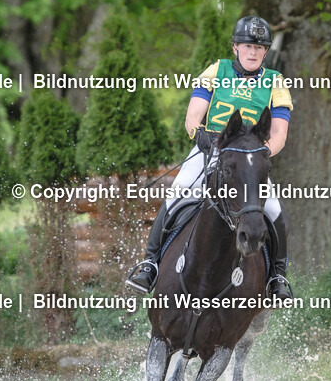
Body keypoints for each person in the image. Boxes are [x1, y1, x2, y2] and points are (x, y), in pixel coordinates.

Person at [125, 15, 293, 299]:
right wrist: (199, 134)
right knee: (177, 195)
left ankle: (277, 277)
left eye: (259, 47)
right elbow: (193, 116)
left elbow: (279, 134)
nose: (253, 52)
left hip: (249, 159)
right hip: (212, 148)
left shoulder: (275, 82)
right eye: (247, 45)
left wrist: (262, 153)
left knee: (274, 211)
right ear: (235, 47)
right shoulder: (217, 70)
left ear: (265, 52)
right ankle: (150, 266)